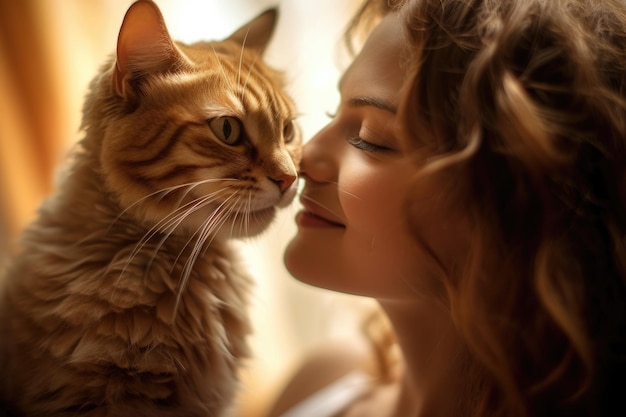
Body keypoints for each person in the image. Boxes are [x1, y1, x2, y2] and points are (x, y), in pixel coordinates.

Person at [264, 0, 626, 416]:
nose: (301, 158)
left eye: (370, 137)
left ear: (515, 202)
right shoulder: (322, 380)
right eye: (334, 113)